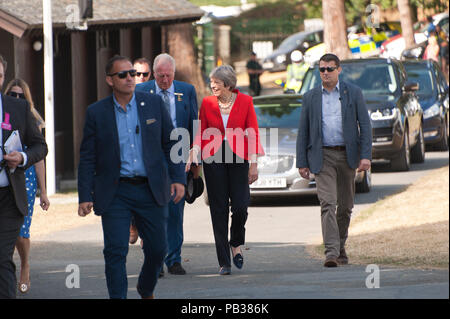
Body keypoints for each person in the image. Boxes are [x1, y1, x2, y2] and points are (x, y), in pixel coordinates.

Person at [77, 55, 185, 299]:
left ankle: (145, 288)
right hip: (116, 192)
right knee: (115, 251)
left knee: (158, 249)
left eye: (133, 73)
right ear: (110, 80)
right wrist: (84, 195)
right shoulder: (97, 113)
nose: (130, 78)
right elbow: (87, 157)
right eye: (123, 74)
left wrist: (178, 178)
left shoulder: (153, 103)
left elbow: (171, 143)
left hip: (150, 188)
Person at [186, 65, 264, 275]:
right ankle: (224, 262)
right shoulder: (208, 102)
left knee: (241, 206)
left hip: (239, 160)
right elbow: (201, 130)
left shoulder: (246, 101)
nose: (212, 86)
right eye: (212, 83)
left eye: (216, 83)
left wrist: (254, 164)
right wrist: (194, 150)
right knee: (218, 209)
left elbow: (253, 132)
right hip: (214, 160)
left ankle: (236, 242)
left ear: (228, 84)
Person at [296, 53, 372, 267]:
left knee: (346, 206)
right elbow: (303, 131)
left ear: (339, 70)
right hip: (322, 156)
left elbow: (364, 126)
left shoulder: (353, 93)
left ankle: (340, 246)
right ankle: (331, 253)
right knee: (327, 203)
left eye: (330, 69)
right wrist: (302, 161)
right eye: (322, 69)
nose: (325, 73)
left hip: (348, 155)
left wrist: (365, 156)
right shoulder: (310, 97)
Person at [136, 53, 199, 276]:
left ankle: (174, 259)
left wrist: (193, 156)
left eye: (168, 75)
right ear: (153, 74)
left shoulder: (187, 90)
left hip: (177, 159)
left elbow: (195, 126)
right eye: (160, 76)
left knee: (174, 211)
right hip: (150, 160)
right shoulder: (141, 91)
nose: (165, 80)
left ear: (174, 73)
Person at [0, 54, 48, 299]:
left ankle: (24, 267)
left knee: (3, 254)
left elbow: (40, 148)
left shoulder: (19, 109)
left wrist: (23, 158)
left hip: (10, 192)